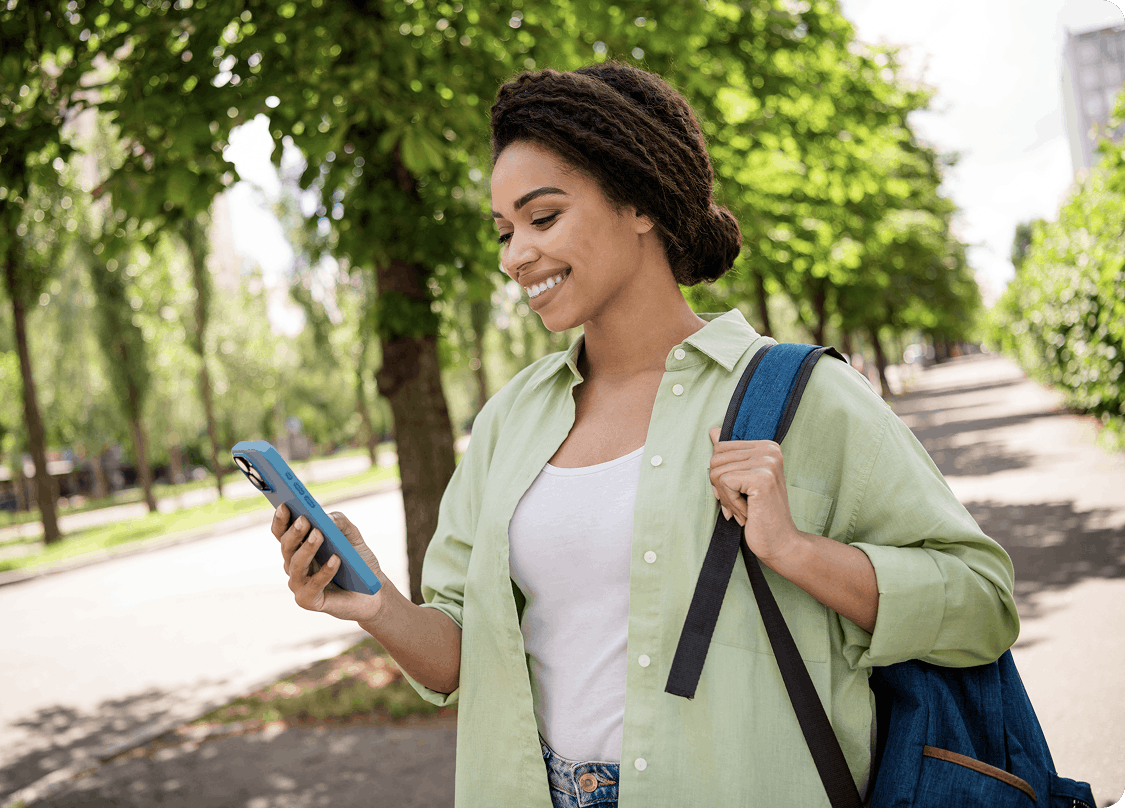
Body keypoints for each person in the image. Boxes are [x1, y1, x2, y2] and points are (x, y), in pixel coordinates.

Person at [270, 62, 1019, 807]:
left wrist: (796, 551)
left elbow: (983, 604)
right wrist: (377, 605)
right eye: (503, 231)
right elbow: (464, 656)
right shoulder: (510, 420)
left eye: (542, 218)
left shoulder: (805, 397)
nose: (514, 255)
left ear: (639, 203)